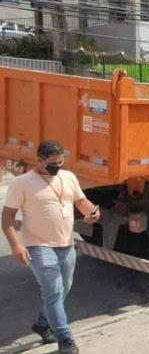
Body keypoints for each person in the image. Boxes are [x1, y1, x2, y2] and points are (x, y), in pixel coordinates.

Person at [1, 140, 100, 354]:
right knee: (54, 291)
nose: (57, 167)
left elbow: (81, 201)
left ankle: (43, 324)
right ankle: (65, 339)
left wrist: (91, 211)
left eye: (60, 162)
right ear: (39, 161)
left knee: (63, 289)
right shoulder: (22, 183)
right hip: (38, 245)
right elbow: (7, 216)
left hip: (66, 244)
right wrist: (16, 245)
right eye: (52, 164)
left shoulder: (68, 177)